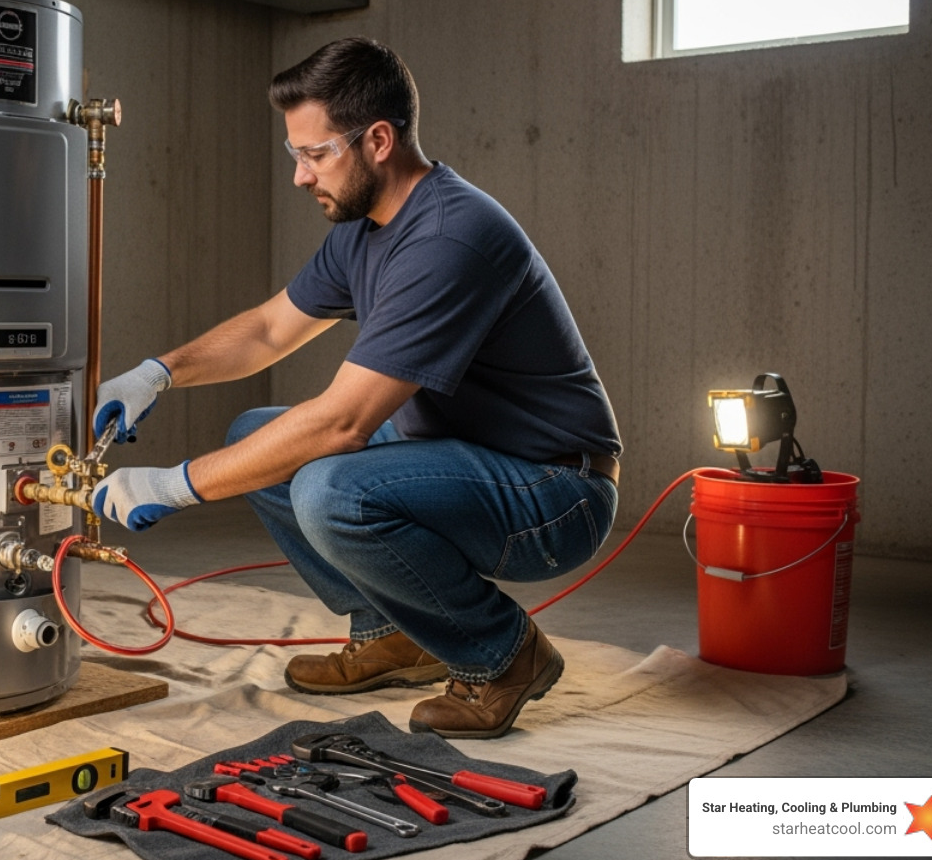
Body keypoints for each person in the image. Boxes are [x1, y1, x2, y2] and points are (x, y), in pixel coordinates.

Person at [89, 37, 622, 739]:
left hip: (553, 491)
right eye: (296, 156)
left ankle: (503, 655)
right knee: (256, 436)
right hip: (464, 451)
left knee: (329, 487)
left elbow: (340, 425)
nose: (301, 177)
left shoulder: (448, 238)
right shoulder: (365, 228)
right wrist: (157, 372)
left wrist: (175, 485)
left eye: (315, 155)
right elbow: (270, 331)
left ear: (377, 140)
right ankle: (396, 634)